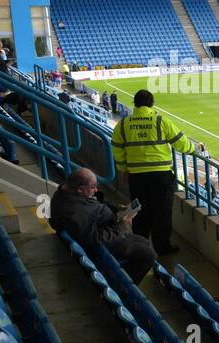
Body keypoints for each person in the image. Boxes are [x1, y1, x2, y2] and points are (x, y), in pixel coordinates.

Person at [110, 88, 195, 255]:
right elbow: (182, 144)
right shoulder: (161, 121)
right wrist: (194, 149)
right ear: (152, 104)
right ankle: (163, 248)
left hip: (136, 176)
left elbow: (118, 151)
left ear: (135, 104)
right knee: (162, 211)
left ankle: (140, 245)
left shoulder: (123, 125)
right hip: (161, 175)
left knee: (140, 211)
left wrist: (124, 169)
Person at [49, 167, 155, 284]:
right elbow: (95, 238)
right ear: (80, 189)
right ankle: (122, 286)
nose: (96, 190)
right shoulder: (76, 213)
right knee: (148, 255)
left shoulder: (67, 193)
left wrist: (115, 208)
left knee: (144, 242)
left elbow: (92, 204)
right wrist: (121, 226)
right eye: (93, 187)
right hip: (103, 245)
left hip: (105, 227)